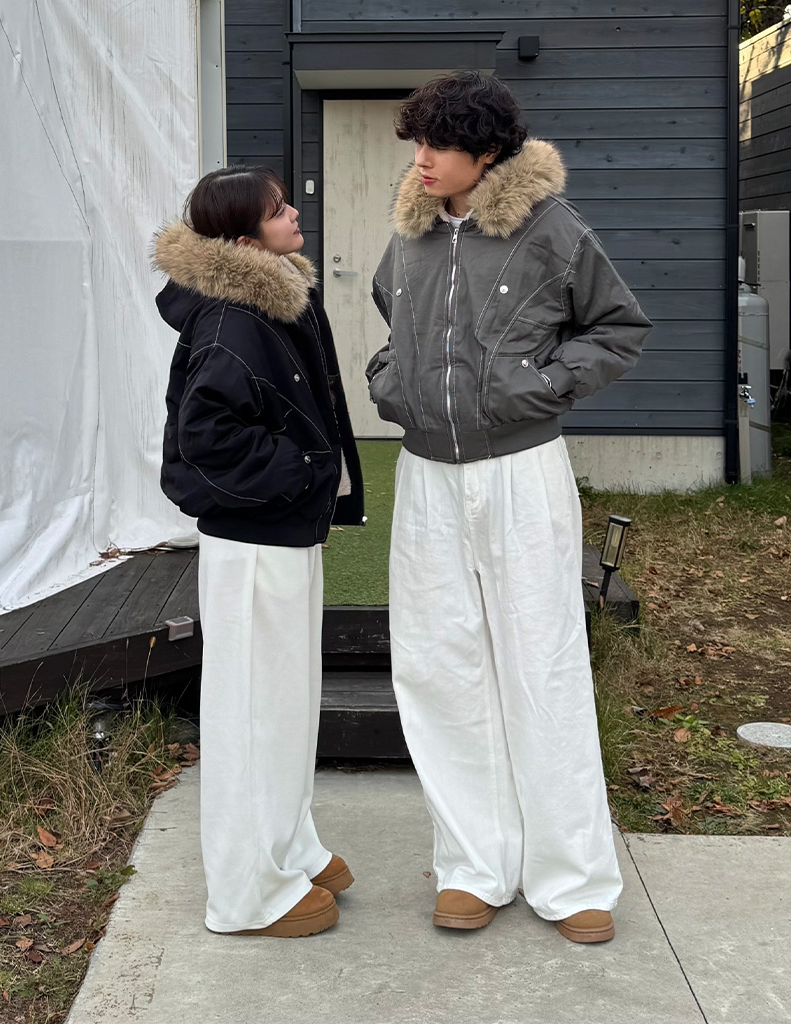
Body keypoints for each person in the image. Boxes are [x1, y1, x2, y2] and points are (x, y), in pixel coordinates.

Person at [367, 72, 651, 943]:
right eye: (417, 144)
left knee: (542, 662)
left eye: (439, 146)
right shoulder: (411, 235)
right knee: (438, 668)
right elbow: (392, 324)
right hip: (427, 476)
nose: (421, 161)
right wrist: (392, 382)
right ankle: (472, 867)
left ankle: (572, 878)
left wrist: (541, 386)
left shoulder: (550, 229)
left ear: (486, 152)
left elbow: (618, 328)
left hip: (522, 470)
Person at [154, 166, 363, 937]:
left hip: (283, 533)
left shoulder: (271, 297)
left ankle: (286, 846)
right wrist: (306, 468)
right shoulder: (230, 321)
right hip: (251, 544)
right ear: (244, 240)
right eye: (278, 210)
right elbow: (202, 445)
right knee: (249, 718)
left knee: (284, 707)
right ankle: (246, 894)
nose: (294, 213)